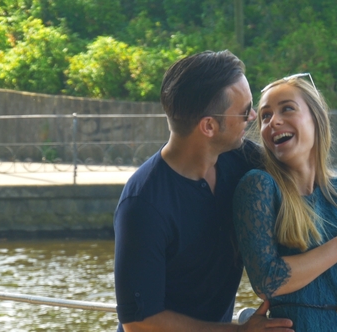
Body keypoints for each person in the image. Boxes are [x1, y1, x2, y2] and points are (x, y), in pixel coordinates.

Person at [113, 50, 294, 332]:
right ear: (209, 126)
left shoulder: (243, 159)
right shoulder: (143, 204)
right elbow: (139, 322)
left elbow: (304, 182)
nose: (254, 116)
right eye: (244, 111)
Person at [233, 74, 337, 331]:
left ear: (316, 118)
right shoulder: (259, 186)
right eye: (265, 116)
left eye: (287, 109)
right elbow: (267, 281)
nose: (273, 121)